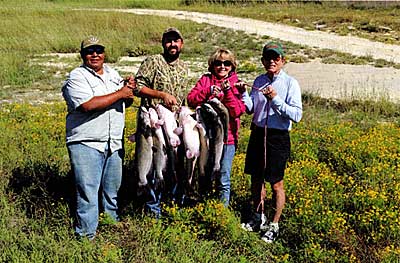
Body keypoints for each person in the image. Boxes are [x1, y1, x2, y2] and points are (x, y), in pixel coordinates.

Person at [62, 36, 135, 240]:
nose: (95, 54)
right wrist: (121, 93)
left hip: (113, 141)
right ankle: (86, 236)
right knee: (88, 192)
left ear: (104, 53)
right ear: (82, 55)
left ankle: (110, 227)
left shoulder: (113, 74)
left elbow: (124, 102)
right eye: (89, 51)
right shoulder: (76, 77)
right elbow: (87, 105)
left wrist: (127, 92)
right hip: (87, 142)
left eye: (99, 50)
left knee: (112, 191)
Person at [241, 41, 302, 243]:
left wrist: (275, 99)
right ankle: (258, 217)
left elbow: (297, 115)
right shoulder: (258, 80)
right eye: (268, 58)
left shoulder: (291, 83)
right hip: (258, 133)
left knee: (276, 184)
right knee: (256, 179)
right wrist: (242, 93)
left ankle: (274, 225)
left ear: (283, 61)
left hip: (278, 137)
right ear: (262, 60)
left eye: (276, 58)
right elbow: (250, 108)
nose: (272, 61)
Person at [134, 27, 190, 216]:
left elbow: (185, 97)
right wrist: (161, 95)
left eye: (176, 41)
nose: (172, 44)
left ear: (181, 43)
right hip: (152, 122)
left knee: (173, 166)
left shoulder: (184, 67)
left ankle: (172, 207)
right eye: (168, 41)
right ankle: (153, 210)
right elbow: (137, 87)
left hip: (174, 126)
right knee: (152, 165)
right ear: (163, 43)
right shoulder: (153, 61)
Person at [187, 48, 249, 207]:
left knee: (223, 176)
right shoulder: (206, 80)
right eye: (218, 63)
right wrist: (207, 91)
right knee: (205, 174)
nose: (222, 67)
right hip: (205, 138)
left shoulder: (237, 83)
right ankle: (204, 206)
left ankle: (221, 212)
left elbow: (236, 111)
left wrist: (227, 92)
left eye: (227, 63)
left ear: (232, 66)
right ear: (212, 65)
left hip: (227, 139)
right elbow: (191, 100)